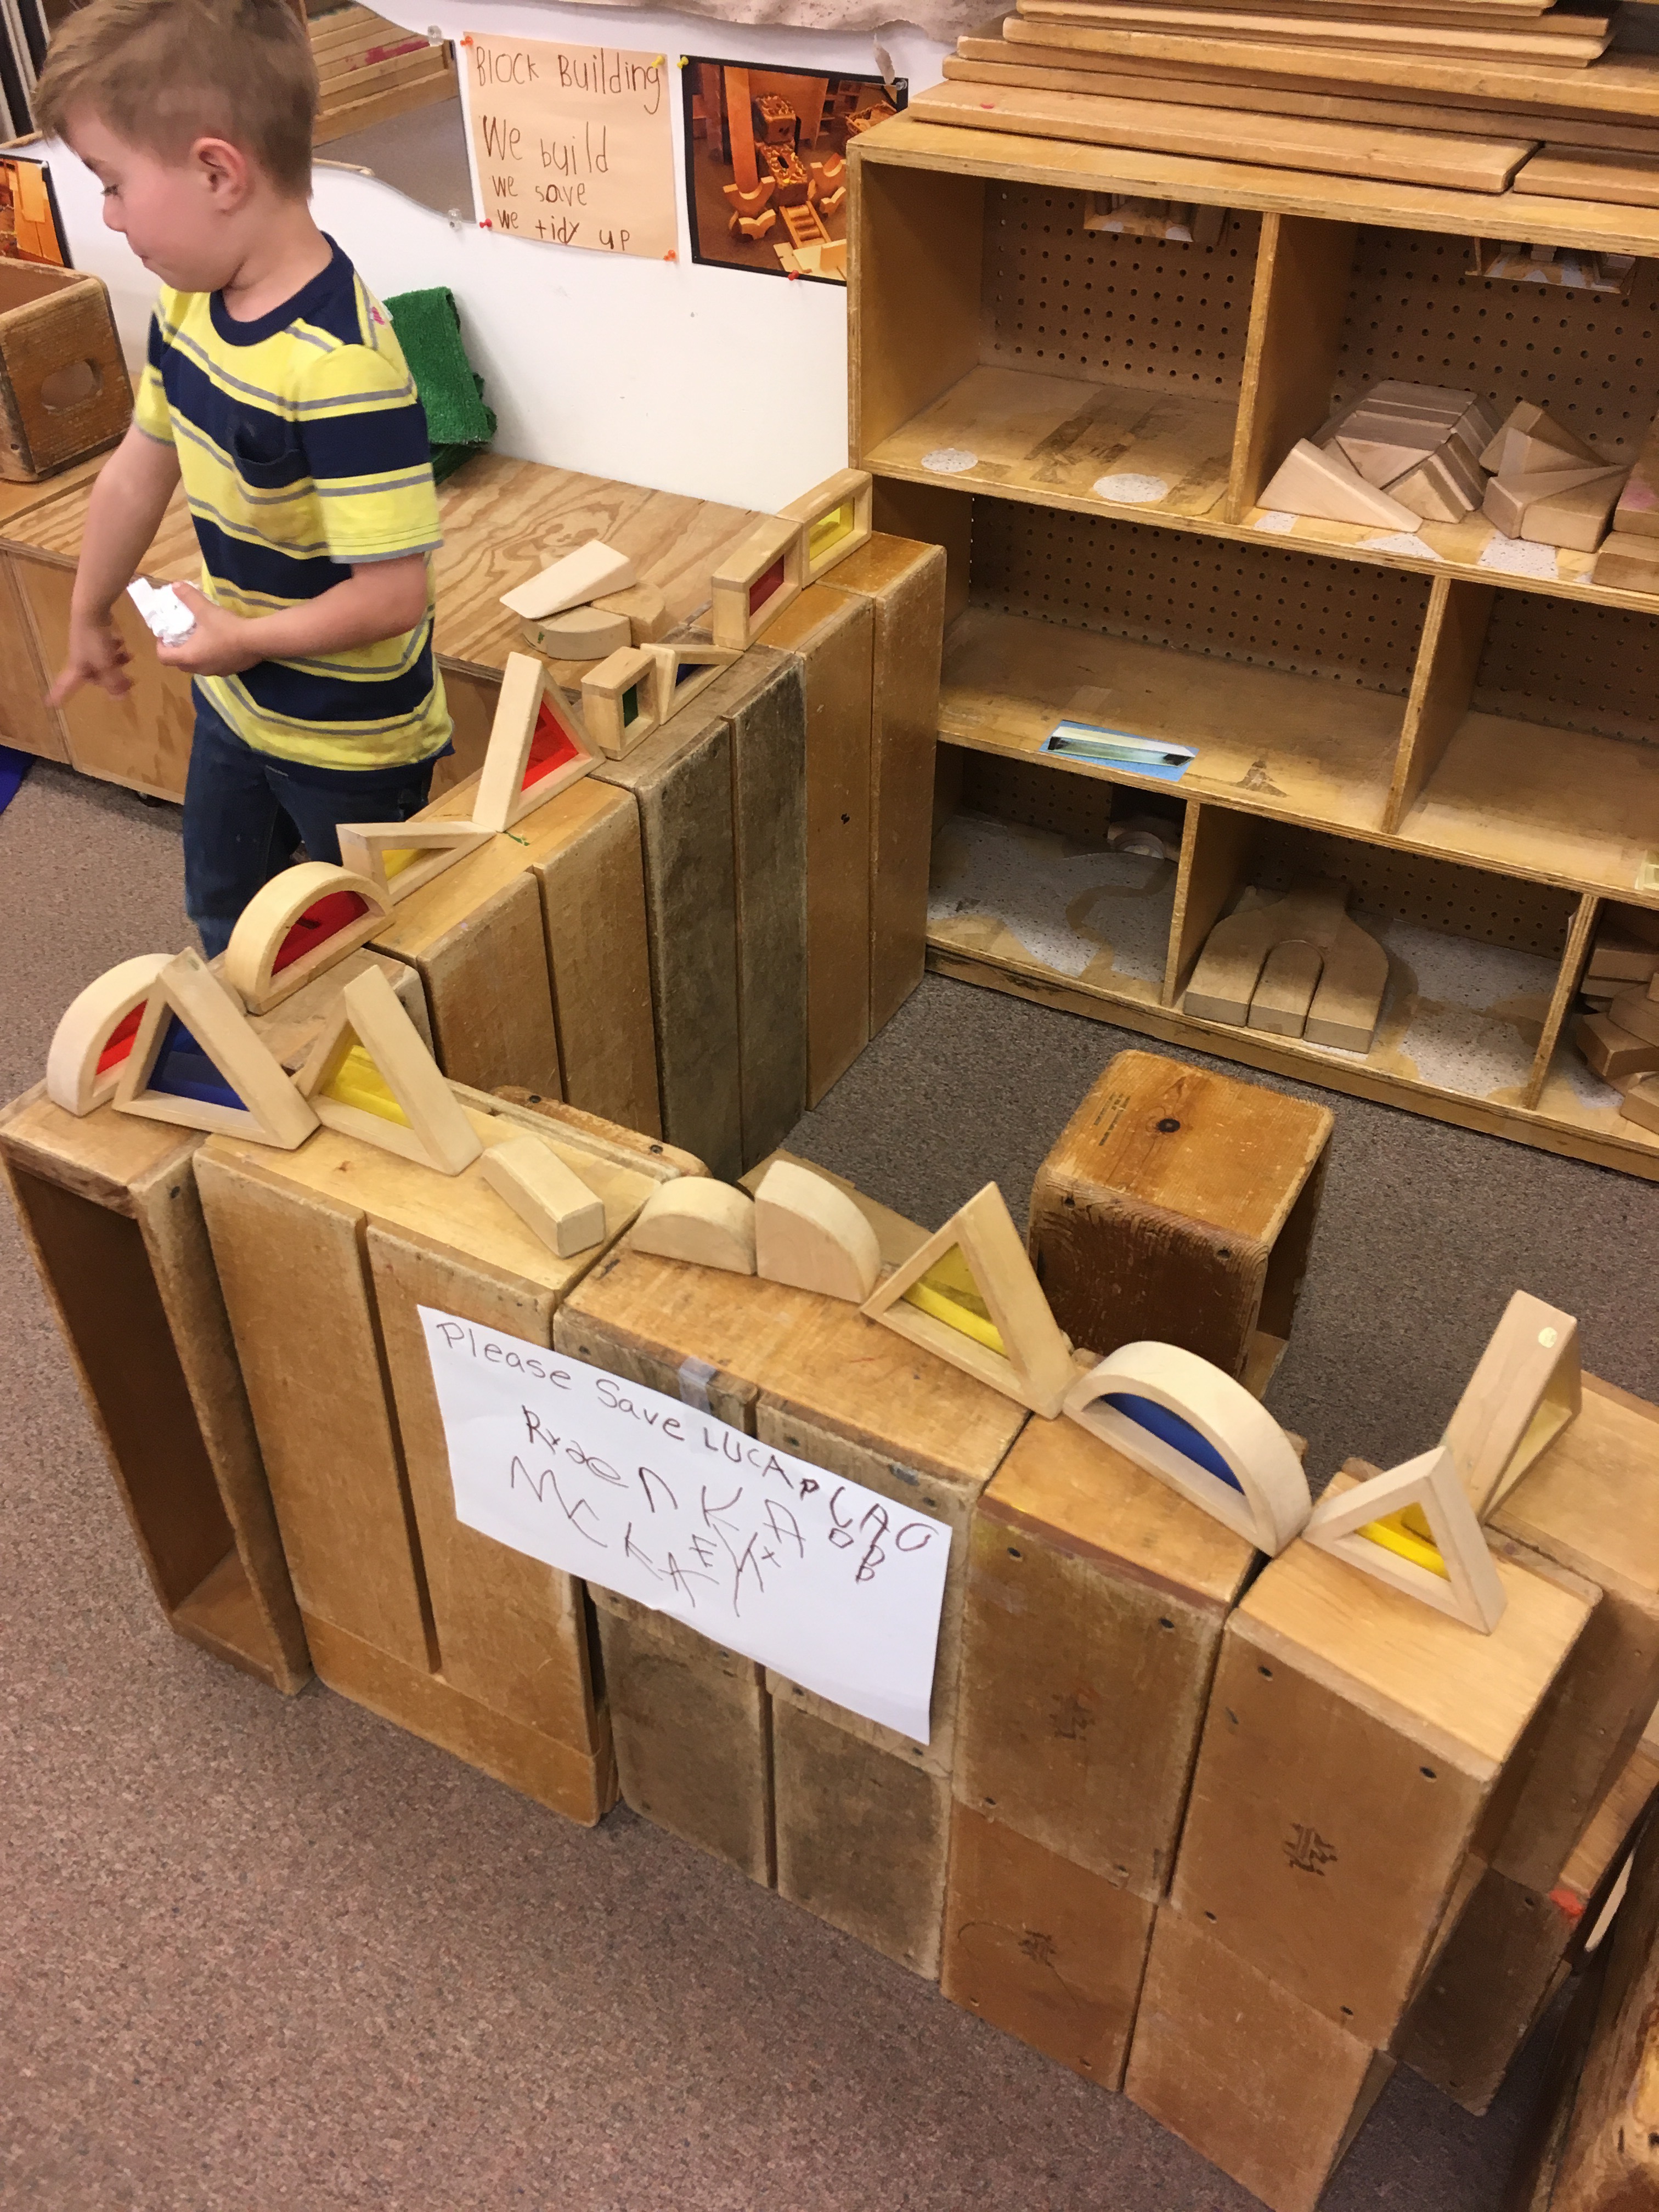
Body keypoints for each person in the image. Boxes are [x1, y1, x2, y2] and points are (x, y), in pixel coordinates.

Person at [35, 0, 449, 957]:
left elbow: (393, 597)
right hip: (238, 706)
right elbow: (137, 471)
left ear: (218, 171)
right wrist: (88, 610)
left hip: (352, 742)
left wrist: (243, 639)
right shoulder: (187, 307)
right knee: (226, 916)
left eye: (113, 183)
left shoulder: (340, 368)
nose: (108, 215)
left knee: (366, 947)